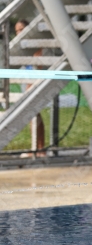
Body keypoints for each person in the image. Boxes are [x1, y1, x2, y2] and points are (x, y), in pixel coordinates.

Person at [14, 20, 45, 155]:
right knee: (32, 116)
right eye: (17, 30)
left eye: (21, 29)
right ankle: (36, 148)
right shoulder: (21, 46)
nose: (19, 32)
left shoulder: (33, 44)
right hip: (26, 81)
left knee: (35, 114)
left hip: (33, 82)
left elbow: (38, 66)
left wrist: (31, 84)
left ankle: (40, 148)